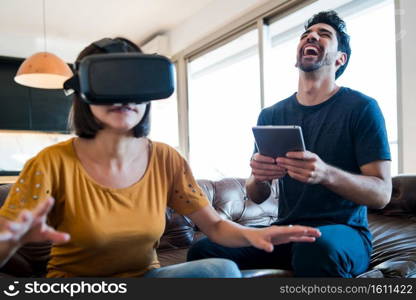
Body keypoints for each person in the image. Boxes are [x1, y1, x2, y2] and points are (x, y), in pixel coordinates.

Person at [0, 37, 321, 278]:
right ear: (84, 92)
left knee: (222, 271)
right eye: (110, 83)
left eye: (134, 83)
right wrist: (12, 240)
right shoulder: (49, 163)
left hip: (147, 279)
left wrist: (257, 235)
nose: (124, 96)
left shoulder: (166, 158)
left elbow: (216, 227)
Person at [187, 11, 392, 278]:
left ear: (340, 59)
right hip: (286, 230)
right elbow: (257, 193)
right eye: (307, 35)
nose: (313, 36)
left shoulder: (362, 108)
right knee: (203, 251)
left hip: (344, 232)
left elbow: (382, 194)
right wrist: (259, 177)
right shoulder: (271, 115)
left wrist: (325, 173)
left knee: (315, 247)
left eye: (324, 34)